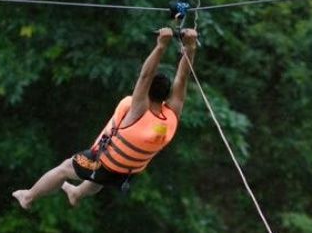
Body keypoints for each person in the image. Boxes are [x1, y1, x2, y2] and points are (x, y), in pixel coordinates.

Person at [12, 27, 199, 210]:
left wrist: (161, 46)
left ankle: (28, 197)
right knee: (99, 174)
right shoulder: (171, 115)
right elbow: (182, 78)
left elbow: (145, 76)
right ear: (166, 96)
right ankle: (76, 194)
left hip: (105, 164)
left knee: (65, 169)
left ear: (146, 92)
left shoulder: (139, 110)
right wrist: (190, 48)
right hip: (126, 173)